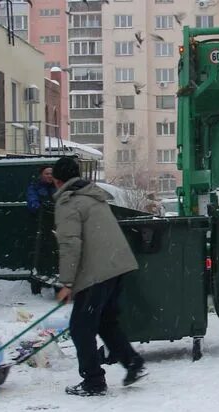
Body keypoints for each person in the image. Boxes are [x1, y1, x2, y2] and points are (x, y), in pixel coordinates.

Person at [52, 156, 147, 397]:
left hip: (97, 272)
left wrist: (67, 283)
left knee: (80, 328)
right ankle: (132, 362)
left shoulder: (68, 202)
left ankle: (93, 381)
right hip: (117, 266)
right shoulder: (92, 195)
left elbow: (70, 244)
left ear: (56, 180)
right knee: (104, 321)